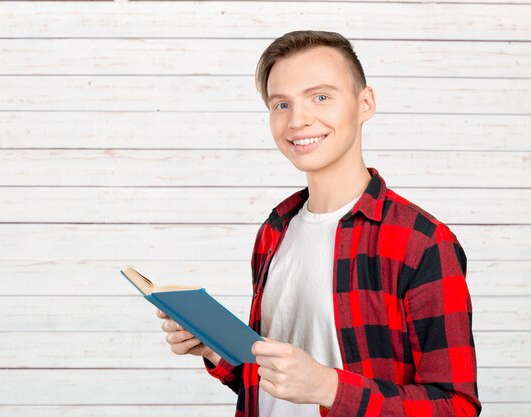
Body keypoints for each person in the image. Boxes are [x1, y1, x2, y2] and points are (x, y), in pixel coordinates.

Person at [157, 30, 481, 416]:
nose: (298, 120)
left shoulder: (421, 242)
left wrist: (329, 387)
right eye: (281, 104)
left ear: (365, 103)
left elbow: (455, 407)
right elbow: (270, 382)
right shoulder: (275, 230)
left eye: (321, 97)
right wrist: (213, 346)